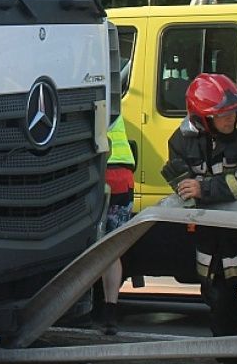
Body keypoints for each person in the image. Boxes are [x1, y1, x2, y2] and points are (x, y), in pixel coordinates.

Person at [168, 73, 237, 362]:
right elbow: (181, 184)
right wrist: (192, 191)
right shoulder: (180, 140)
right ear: (202, 118)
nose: (231, 118)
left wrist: (204, 189)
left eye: (234, 111)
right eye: (222, 114)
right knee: (221, 316)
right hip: (211, 248)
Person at [99, 115, 136, 335]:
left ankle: (78, 309)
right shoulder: (115, 108)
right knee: (112, 250)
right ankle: (110, 314)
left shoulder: (80, 93)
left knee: (85, 248)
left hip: (97, 174)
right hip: (123, 178)